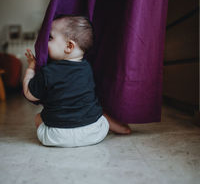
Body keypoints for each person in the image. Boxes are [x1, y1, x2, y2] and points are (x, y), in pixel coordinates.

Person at [23, 15, 131, 147]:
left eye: (50, 37)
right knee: (99, 113)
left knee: (38, 118)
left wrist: (30, 68)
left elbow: (29, 94)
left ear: (69, 46)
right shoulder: (88, 69)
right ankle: (122, 128)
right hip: (93, 133)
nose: (45, 42)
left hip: (57, 137)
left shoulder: (47, 72)